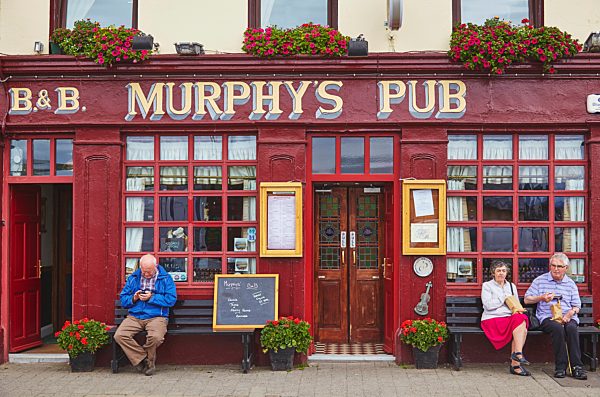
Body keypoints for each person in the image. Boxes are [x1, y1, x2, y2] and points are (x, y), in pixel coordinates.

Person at [524, 253, 587, 380]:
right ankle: (560, 367)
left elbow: (576, 305)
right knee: (557, 328)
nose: (556, 269)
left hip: (567, 316)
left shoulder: (570, 284)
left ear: (566, 267)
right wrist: (541, 298)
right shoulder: (540, 281)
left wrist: (570, 313)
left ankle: (577, 367)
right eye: (553, 265)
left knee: (571, 329)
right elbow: (526, 300)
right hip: (548, 317)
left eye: (559, 266)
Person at [114, 254, 177, 376]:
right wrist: (134, 297)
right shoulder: (134, 277)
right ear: (140, 267)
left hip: (157, 316)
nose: (146, 274)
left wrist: (151, 297)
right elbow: (123, 299)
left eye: (149, 271)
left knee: (155, 337)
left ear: (155, 266)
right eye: (144, 271)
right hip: (135, 316)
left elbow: (171, 299)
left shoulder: (165, 278)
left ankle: (148, 362)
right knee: (120, 335)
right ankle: (143, 359)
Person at [480, 260, 531, 376]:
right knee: (522, 328)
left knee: (521, 319)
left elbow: (516, 304)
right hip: (492, 319)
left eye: (503, 271)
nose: (501, 273)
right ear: (493, 273)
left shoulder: (512, 286)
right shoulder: (487, 286)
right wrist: (503, 297)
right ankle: (516, 363)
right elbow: (488, 306)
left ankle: (517, 355)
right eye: (498, 271)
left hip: (508, 317)